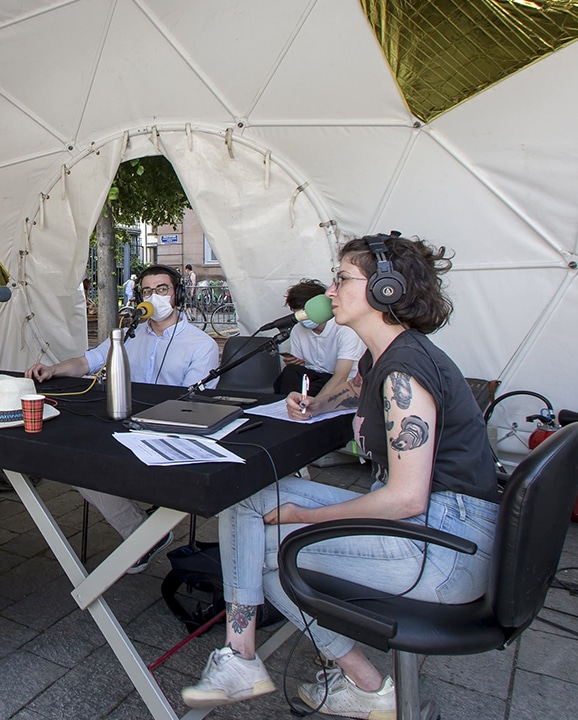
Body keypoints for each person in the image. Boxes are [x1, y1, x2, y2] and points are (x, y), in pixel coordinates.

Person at [180, 234, 498, 719]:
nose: (330, 291)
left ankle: (353, 682)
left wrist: (305, 515)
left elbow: (406, 499)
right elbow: (352, 391)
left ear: (386, 290)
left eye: (342, 279)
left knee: (262, 549)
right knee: (247, 501)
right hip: (437, 529)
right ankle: (250, 659)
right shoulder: (383, 357)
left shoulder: (405, 372)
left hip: (445, 549)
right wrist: (315, 404)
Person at [25, 264, 220, 572]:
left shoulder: (202, 345)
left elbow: (192, 405)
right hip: (123, 428)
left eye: (162, 289)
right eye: (147, 291)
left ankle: (144, 535)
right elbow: (87, 362)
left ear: (178, 295)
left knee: (89, 464)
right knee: (71, 461)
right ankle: (142, 534)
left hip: (167, 437)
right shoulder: (129, 335)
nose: (154, 297)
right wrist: (52, 369)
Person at [273, 279, 364, 400]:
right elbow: (300, 368)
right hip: (314, 377)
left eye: (305, 311)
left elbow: (341, 375)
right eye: (297, 312)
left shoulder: (344, 328)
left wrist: (317, 404)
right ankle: (284, 407)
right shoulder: (298, 330)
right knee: (290, 372)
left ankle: (303, 405)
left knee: (309, 391)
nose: (302, 317)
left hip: (341, 381)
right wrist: (296, 362)